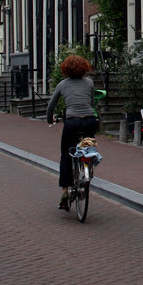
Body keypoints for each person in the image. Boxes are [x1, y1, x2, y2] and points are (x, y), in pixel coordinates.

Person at [46, 55, 99, 210]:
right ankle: (87, 166)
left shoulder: (63, 84)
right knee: (88, 147)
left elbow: (51, 105)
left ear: (65, 69)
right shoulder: (89, 83)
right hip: (89, 120)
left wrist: (50, 119)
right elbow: (91, 102)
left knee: (65, 155)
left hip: (72, 121)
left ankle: (65, 190)